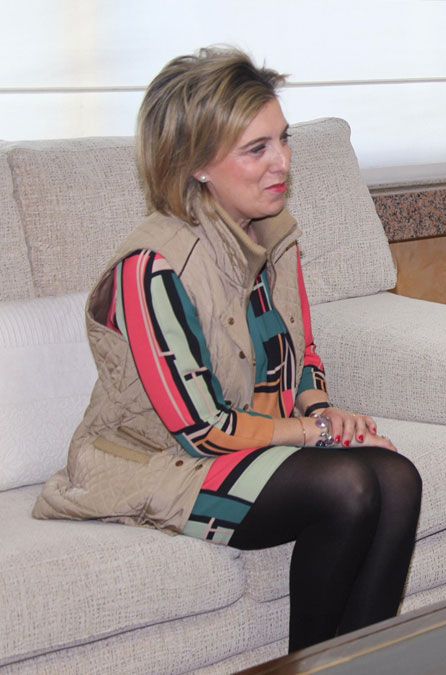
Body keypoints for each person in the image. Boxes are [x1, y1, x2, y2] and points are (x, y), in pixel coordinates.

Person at [33, 47, 423, 653]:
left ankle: (358, 668)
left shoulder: (274, 231)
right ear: (196, 166)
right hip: (153, 460)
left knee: (398, 478)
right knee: (347, 486)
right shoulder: (152, 269)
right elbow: (200, 429)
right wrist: (313, 435)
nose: (283, 163)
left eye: (283, 140)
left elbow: (302, 348)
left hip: (244, 436)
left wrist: (321, 409)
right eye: (257, 149)